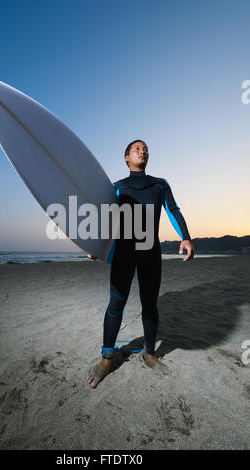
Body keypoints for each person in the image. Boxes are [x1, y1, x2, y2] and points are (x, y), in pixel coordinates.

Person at [86, 140, 194, 388]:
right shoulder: (117, 188)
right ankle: (106, 361)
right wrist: (96, 246)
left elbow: (173, 210)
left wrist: (185, 238)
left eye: (145, 148)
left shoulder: (160, 184)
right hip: (123, 252)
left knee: (150, 304)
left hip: (150, 253)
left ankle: (150, 354)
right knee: (116, 304)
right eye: (136, 148)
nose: (142, 151)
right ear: (126, 158)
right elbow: (106, 220)